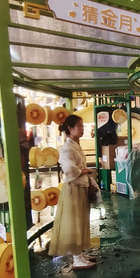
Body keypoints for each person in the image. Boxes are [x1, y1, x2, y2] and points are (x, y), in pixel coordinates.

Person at [48, 114, 98, 269]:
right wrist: (84, 171)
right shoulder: (67, 148)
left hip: (80, 188)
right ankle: (77, 258)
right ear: (70, 129)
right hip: (73, 189)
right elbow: (69, 169)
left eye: (83, 126)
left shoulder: (75, 145)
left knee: (81, 220)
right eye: (79, 126)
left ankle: (80, 253)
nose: (82, 129)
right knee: (75, 222)